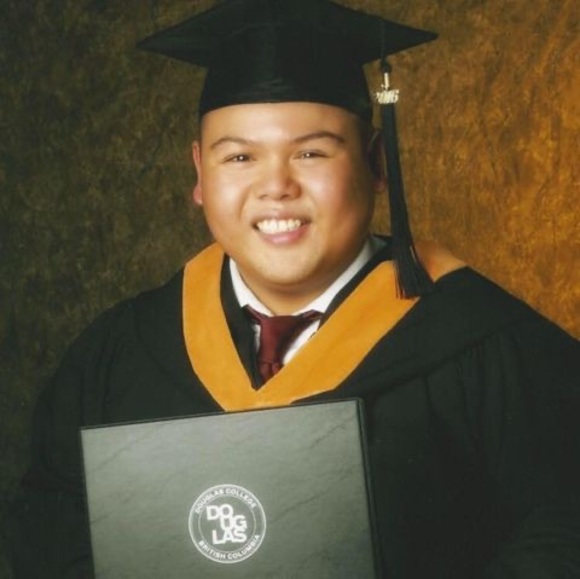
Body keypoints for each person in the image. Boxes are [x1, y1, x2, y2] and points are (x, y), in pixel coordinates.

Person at [4, 0, 580, 577]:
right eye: (240, 156)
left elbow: (562, 531)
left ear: (377, 164)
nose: (276, 186)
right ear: (200, 174)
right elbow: (50, 527)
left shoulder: (490, 345)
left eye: (310, 152)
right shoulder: (117, 353)